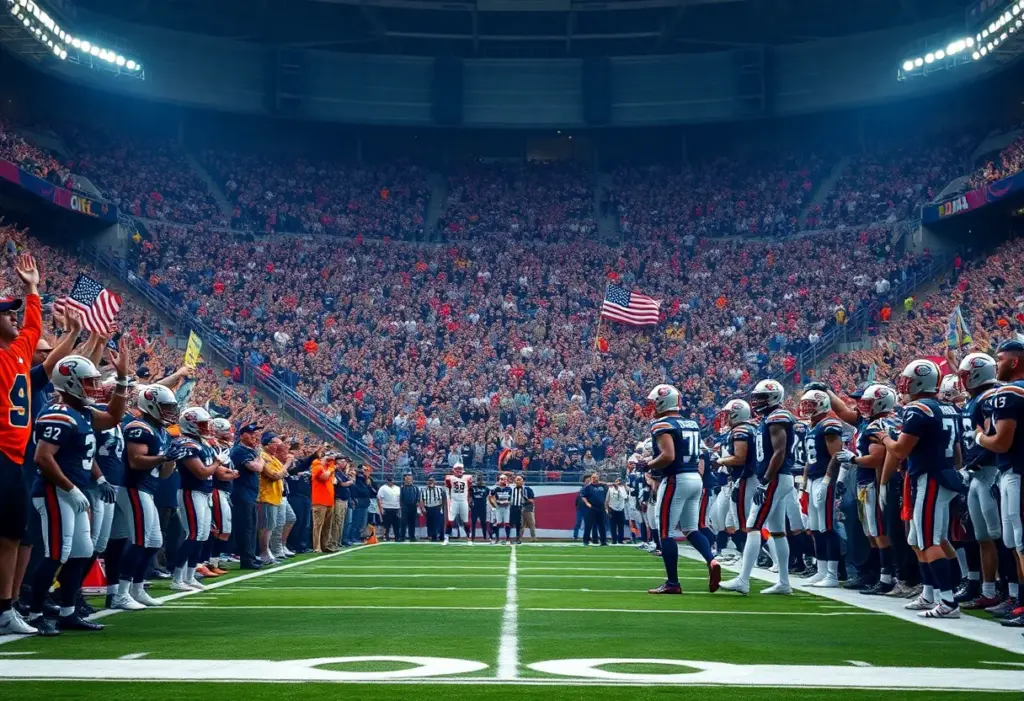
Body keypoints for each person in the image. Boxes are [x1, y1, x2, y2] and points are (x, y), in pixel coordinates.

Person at [27, 348, 131, 635]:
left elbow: (112, 418)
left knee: (82, 552)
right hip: (54, 490)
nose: (94, 387)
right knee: (56, 554)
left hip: (74, 490)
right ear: (69, 381)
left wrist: (122, 378)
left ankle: (68, 612)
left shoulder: (81, 412)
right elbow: (43, 457)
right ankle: (35, 613)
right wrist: (70, 488)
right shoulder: (58, 413)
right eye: (88, 382)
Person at [883, 359, 964, 619]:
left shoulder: (919, 409)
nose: (904, 384)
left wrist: (884, 436)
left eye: (908, 379)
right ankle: (931, 593)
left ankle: (949, 601)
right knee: (920, 538)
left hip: (930, 478)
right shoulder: (948, 407)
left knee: (928, 540)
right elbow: (959, 451)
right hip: (943, 474)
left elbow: (900, 450)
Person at [641, 384, 720, 594]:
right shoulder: (691, 423)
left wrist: (647, 465)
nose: (651, 407)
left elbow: (668, 456)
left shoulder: (662, 424)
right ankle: (711, 561)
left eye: (654, 402)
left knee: (665, 532)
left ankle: (673, 583)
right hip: (695, 477)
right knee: (690, 528)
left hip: (676, 479)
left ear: (663, 401)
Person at [721, 380, 797, 596]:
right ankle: (784, 582)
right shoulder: (769, 418)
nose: (756, 401)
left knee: (753, 526)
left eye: (762, 397)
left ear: (773, 397)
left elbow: (779, 452)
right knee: (778, 531)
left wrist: (764, 481)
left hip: (775, 477)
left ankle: (743, 580)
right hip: (780, 477)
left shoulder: (776, 418)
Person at [0, 255, 43, 635]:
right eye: (5, 313)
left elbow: (32, 325)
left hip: (15, 457)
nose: (13, 317)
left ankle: (5, 607)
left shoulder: (19, 351)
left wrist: (32, 289)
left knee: (13, 533)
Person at [978, 340, 1024, 622]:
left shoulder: (1009, 393)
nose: (997, 363)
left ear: (1015, 362)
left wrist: (979, 436)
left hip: (1017, 471)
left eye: (1001, 358)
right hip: (1013, 471)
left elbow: (1002, 442)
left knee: (1020, 543)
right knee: (1014, 541)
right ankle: (1020, 601)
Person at [957, 353, 1002, 609]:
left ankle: (1011, 591)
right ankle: (988, 591)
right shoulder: (974, 399)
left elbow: (990, 435)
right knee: (983, 536)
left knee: (1000, 537)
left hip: (989, 471)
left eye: (965, 375)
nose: (963, 380)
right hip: (976, 473)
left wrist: (972, 463)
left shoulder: (988, 398)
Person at [798, 389, 846, 589]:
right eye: (805, 404)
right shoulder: (813, 426)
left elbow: (837, 455)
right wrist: (804, 483)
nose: (806, 407)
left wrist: (827, 480)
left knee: (827, 527)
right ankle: (821, 571)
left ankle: (832, 574)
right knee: (816, 528)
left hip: (826, 479)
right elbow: (810, 459)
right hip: (813, 480)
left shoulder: (829, 424)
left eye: (811, 404)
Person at [169, 407, 218, 592]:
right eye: (202, 424)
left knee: (202, 536)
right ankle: (177, 578)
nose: (206, 427)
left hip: (204, 492)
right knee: (193, 534)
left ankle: (190, 576)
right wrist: (217, 463)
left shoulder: (201, 444)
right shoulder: (186, 443)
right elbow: (201, 472)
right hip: (191, 491)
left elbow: (211, 471)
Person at [230, 423, 265, 570]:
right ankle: (246, 559)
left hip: (250, 493)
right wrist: (261, 458)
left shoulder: (250, 451)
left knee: (251, 526)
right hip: (241, 492)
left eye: (256, 434)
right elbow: (257, 467)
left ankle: (250, 556)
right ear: (242, 435)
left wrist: (258, 458)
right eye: (251, 433)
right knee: (245, 527)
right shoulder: (239, 450)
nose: (254, 436)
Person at [208, 418, 239, 573]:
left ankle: (215, 561)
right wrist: (232, 474)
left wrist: (230, 473)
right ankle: (211, 562)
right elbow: (220, 473)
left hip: (225, 490)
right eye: (227, 430)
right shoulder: (215, 446)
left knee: (224, 528)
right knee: (220, 528)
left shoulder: (227, 446)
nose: (230, 432)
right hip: (217, 489)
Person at [256, 434, 288, 564]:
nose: (279, 447)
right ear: (268, 444)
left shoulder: (272, 457)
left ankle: (267, 551)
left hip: (274, 495)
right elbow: (275, 475)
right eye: (277, 444)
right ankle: (264, 553)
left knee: (271, 525)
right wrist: (287, 463)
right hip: (266, 495)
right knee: (266, 526)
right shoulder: (264, 456)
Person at [311, 451, 335, 553]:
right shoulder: (317, 465)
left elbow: (333, 481)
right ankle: (317, 547)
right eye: (327, 457)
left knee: (327, 525)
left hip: (329, 500)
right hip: (319, 501)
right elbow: (324, 477)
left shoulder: (328, 468)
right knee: (318, 525)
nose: (330, 460)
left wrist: (330, 467)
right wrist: (330, 468)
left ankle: (326, 545)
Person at [444, 463, 472, 544]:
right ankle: (446, 537)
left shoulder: (468, 478)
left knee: (466, 521)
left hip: (463, 501)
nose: (459, 470)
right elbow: (448, 485)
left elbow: (469, 490)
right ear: (454, 470)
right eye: (458, 468)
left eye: (460, 468)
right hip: (454, 501)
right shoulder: (450, 478)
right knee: (450, 520)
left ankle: (469, 538)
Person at [580, 473, 608, 547]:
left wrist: (605, 506)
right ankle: (585, 541)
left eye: (595, 477)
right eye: (593, 477)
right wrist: (587, 503)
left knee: (602, 525)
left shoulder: (602, 486)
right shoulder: (588, 487)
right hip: (592, 508)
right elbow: (583, 496)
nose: (594, 479)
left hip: (601, 508)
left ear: (598, 478)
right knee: (588, 525)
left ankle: (603, 541)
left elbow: (607, 491)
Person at [490, 474, 514, 545]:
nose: (502, 480)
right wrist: (494, 504)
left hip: (506, 508)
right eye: (501, 479)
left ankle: (508, 539)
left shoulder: (509, 489)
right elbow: (490, 497)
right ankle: (497, 539)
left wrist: (509, 502)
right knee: (498, 523)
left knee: (507, 523)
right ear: (499, 480)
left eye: (504, 479)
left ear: (506, 480)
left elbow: (512, 498)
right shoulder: (496, 489)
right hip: (498, 508)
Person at [422, 476, 445, 542]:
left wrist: (441, 507)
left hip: (436, 507)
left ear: (435, 482)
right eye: (429, 480)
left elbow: (442, 499)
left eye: (432, 480)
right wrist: (423, 508)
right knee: (429, 523)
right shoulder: (424, 490)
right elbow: (422, 499)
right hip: (428, 508)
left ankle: (435, 536)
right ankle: (430, 536)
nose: (430, 482)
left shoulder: (439, 489)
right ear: (427, 482)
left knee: (436, 523)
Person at [399, 473, 421, 542]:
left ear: (412, 479)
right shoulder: (402, 487)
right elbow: (401, 497)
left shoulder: (415, 487)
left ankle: (412, 537)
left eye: (409, 479)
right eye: (407, 479)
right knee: (403, 522)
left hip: (413, 506)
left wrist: (417, 502)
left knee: (412, 522)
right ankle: (402, 537)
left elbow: (418, 496)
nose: (408, 480)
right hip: (405, 506)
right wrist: (402, 505)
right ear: (405, 480)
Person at [469, 473, 490, 542]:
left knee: (483, 523)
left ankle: (485, 537)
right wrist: (470, 504)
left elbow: (487, 496)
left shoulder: (486, 488)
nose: (479, 480)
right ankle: (472, 537)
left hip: (482, 507)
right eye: (478, 479)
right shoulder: (472, 488)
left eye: (480, 479)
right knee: (473, 523)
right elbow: (470, 497)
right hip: (474, 507)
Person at [607, 477, 628, 544]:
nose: (618, 482)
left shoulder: (623, 489)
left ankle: (620, 540)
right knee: (613, 526)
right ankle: (614, 540)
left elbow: (625, 497)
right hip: (612, 509)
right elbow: (607, 500)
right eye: (617, 481)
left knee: (621, 526)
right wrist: (607, 509)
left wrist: (621, 488)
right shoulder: (610, 489)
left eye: (619, 481)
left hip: (621, 509)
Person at [520, 477, 537, 542]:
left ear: (523, 481)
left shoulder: (528, 489)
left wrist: (526, 499)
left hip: (528, 507)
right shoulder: (516, 490)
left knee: (531, 523)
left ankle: (533, 537)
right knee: (521, 524)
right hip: (520, 507)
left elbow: (532, 500)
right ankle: (519, 538)